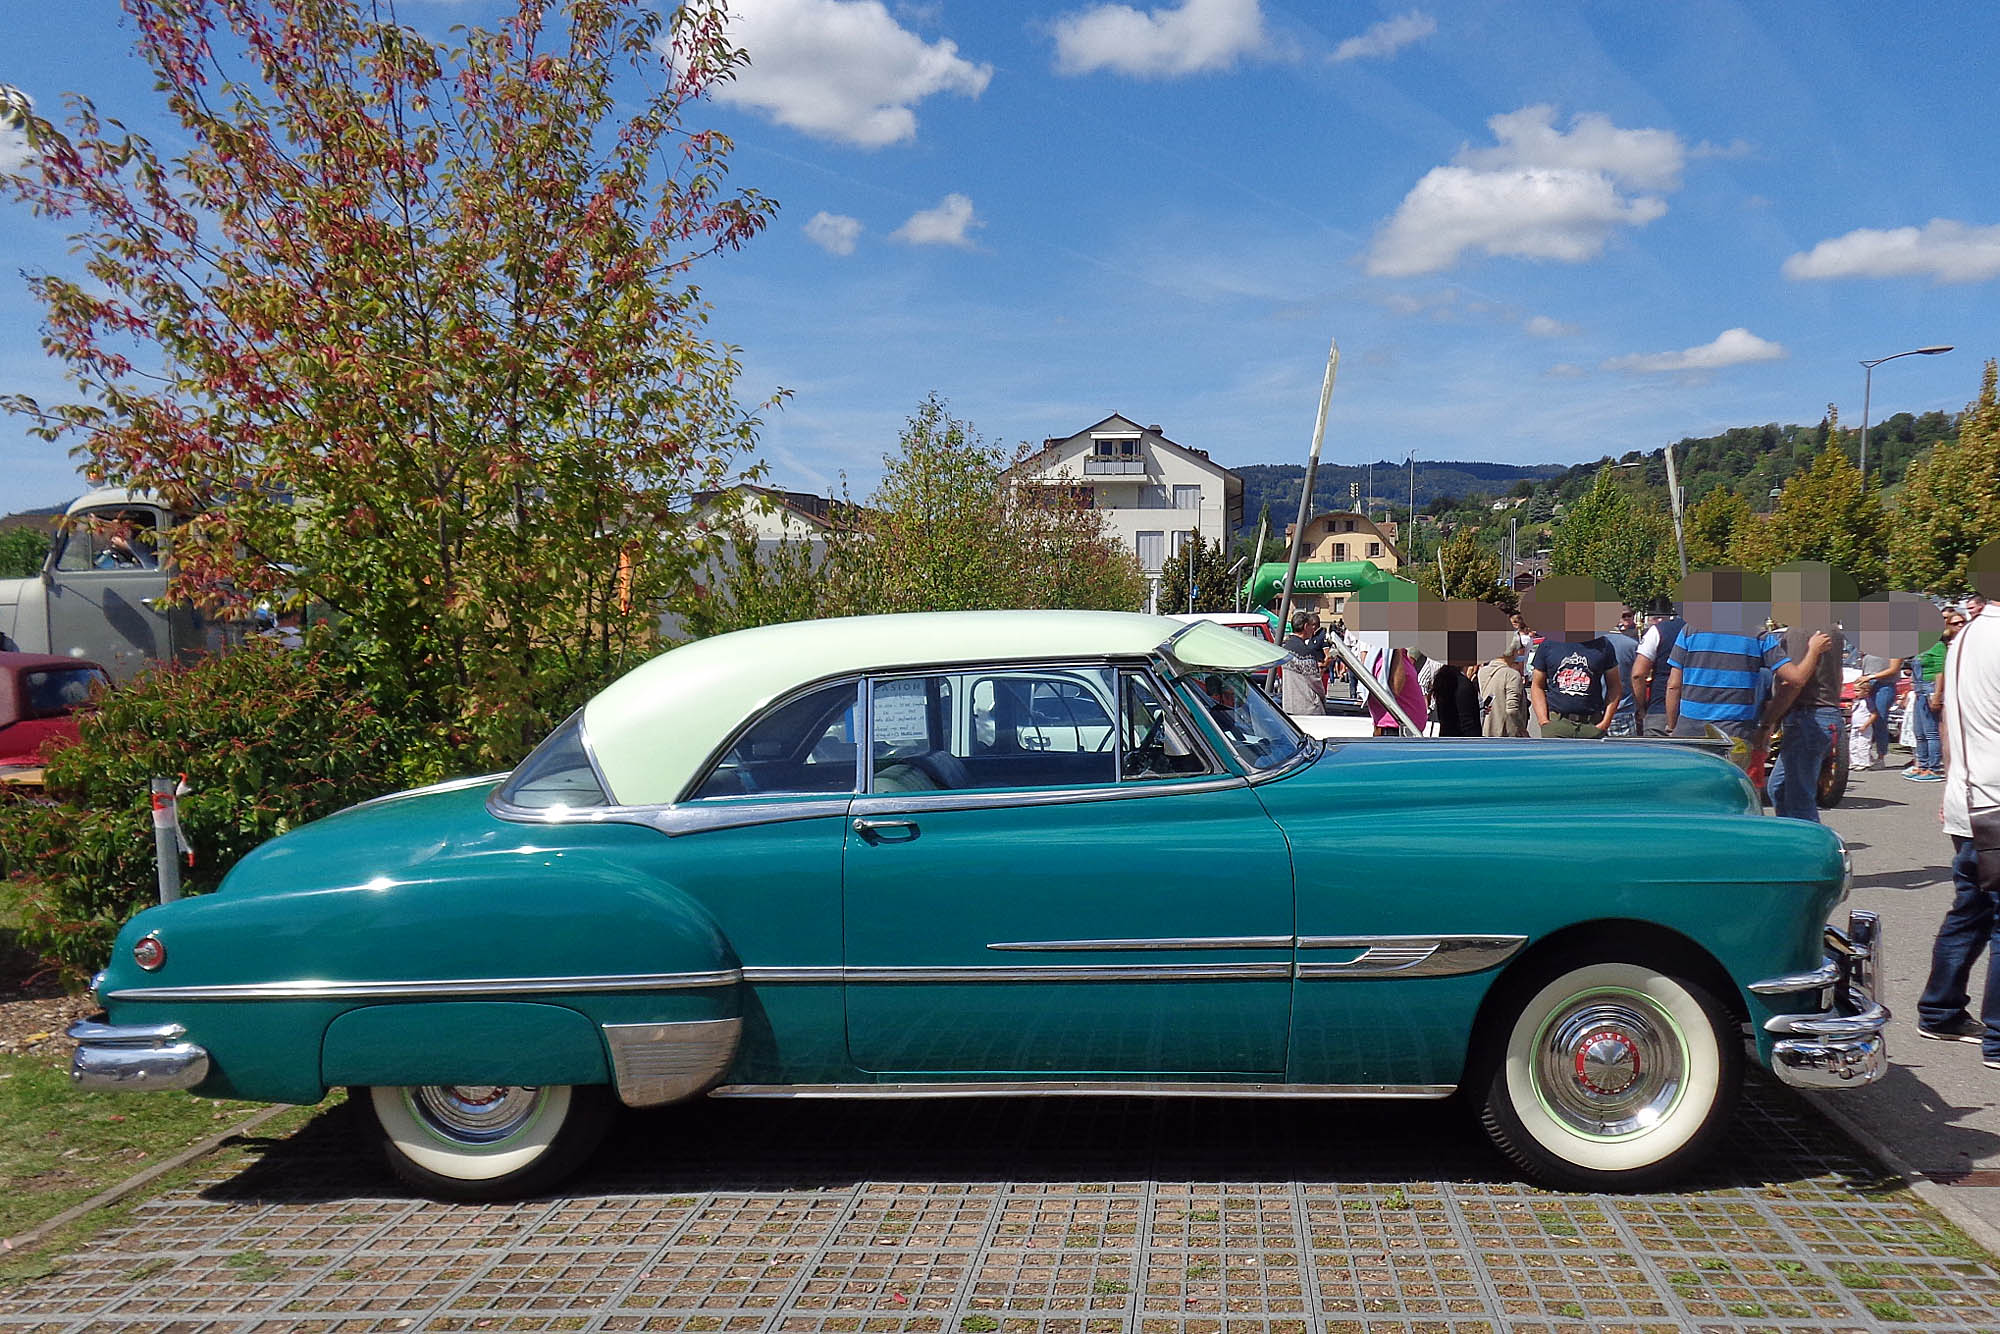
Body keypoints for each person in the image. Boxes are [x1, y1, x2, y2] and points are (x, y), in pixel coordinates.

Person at [1917, 594, 2000, 1061]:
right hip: (1994, 795)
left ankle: (1940, 1011)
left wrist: (1952, 782)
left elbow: (1948, 717)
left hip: (1970, 793)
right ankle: (1997, 1038)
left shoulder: (1966, 634)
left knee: (1971, 909)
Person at [1761, 625, 1840, 822]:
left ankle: (1809, 847)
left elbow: (1794, 681)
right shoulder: (1832, 630)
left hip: (1808, 716)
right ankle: (1790, 839)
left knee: (1799, 799)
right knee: (1779, 788)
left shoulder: (1801, 631)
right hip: (1819, 715)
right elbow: (1837, 676)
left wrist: (1768, 721)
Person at [1909, 605, 1965, 781]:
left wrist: (1937, 695)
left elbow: (1941, 671)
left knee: (1931, 731)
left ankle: (1933, 767)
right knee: (1919, 731)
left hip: (1930, 688)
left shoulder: (1939, 646)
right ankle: (1922, 764)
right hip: (1919, 690)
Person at [1530, 631, 1621, 739]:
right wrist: (1543, 721)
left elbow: (1614, 687)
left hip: (1591, 725)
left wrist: (1605, 723)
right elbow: (1537, 686)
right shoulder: (1549, 644)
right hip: (1557, 724)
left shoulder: (1603, 645)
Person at [1629, 595, 1684, 735]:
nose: (1657, 621)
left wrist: (1640, 707)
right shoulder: (1702, 631)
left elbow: (1638, 674)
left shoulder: (1657, 631)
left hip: (1660, 711)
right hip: (1695, 713)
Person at [1855, 649, 1905, 769]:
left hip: (1884, 685)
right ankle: (1863, 754)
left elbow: (1893, 669)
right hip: (1868, 685)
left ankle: (1881, 756)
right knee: (1865, 719)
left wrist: (1871, 676)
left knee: (1879, 719)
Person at [1367, 644, 1428, 736]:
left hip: (1405, 729)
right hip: (1394, 730)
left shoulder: (1398, 655)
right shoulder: (1387, 656)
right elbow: (1395, 688)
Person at [1278, 610, 1328, 715]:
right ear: (1306, 626)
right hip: (1308, 707)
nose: (1313, 630)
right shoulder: (1305, 652)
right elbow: (1315, 682)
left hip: (1289, 704)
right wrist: (1323, 699)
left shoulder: (1285, 647)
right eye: (1311, 626)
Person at [1479, 640, 1529, 737]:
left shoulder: (1483, 672)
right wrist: (1522, 730)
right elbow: (1512, 709)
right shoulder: (1512, 675)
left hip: (1488, 728)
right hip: (1507, 733)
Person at [1605, 617, 1640, 736]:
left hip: (1594, 713)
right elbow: (1638, 677)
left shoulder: (1587, 645)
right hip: (1623, 712)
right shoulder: (1632, 645)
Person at [1429, 661, 1480, 737]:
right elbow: (1468, 723)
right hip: (1465, 740)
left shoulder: (1442, 679)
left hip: (1446, 736)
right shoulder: (1464, 685)